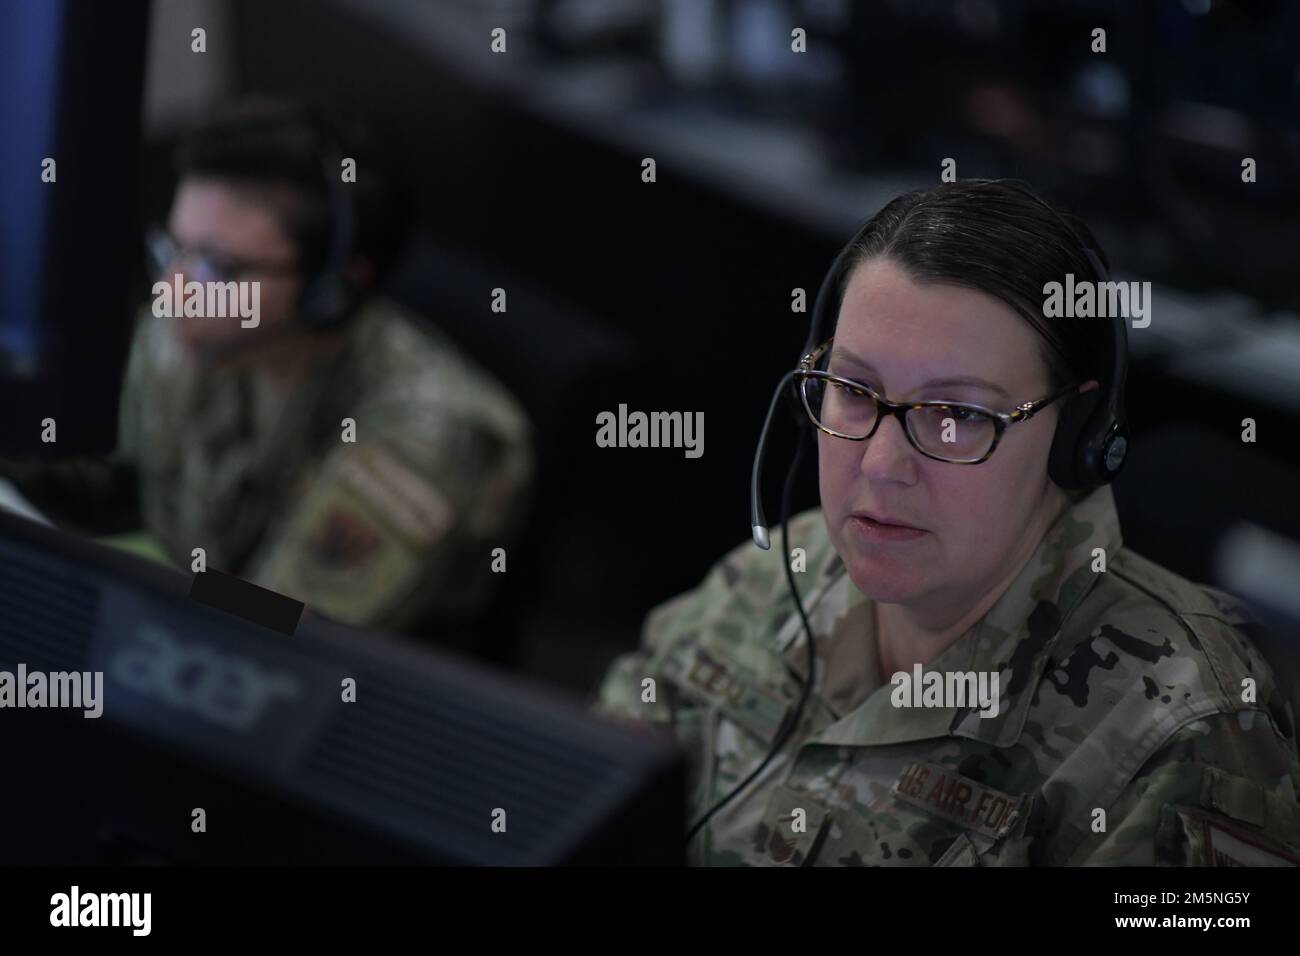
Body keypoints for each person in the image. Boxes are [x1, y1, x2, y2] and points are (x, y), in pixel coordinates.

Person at [592, 179, 1300, 866]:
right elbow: (585, 801)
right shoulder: (771, 577)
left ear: (1075, 438)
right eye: (853, 391)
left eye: (957, 414)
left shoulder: (1179, 734)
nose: (880, 464)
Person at [2, 97, 533, 632]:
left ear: (331, 290)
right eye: (174, 251)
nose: (172, 291)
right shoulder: (203, 337)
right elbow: (109, 480)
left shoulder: (423, 436)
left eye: (218, 267)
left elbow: (279, 634)